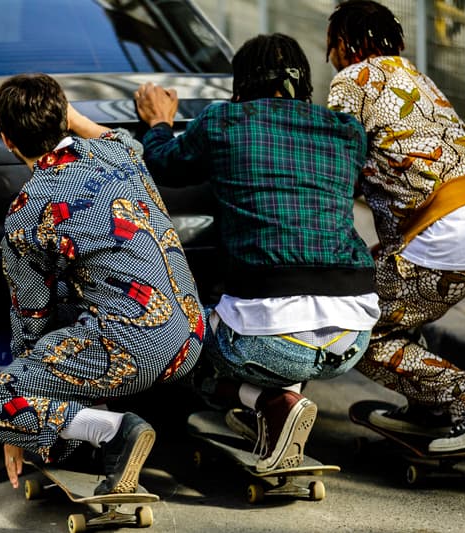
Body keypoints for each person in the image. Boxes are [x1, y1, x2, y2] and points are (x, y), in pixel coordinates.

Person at [133, 33, 380, 472]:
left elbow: (167, 164)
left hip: (269, 335)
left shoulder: (222, 122)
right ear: (304, 82)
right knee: (277, 319)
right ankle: (280, 409)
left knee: (180, 345)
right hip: (352, 334)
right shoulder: (347, 132)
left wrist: (158, 123)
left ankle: (272, 402)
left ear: (240, 84)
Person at [0, 73, 205, 494]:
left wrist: (25, 407)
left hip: (135, 349)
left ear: (6, 140)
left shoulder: (28, 210)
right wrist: (67, 117)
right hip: (190, 336)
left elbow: (31, 317)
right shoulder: (120, 155)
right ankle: (94, 418)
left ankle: (113, 431)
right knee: (80, 299)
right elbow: (114, 136)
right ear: (65, 117)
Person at [326, 0, 465, 453]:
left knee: (351, 325)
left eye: (332, 47)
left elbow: (339, 160)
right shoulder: (416, 77)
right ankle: (428, 406)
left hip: (454, 226)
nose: (333, 57)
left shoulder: (352, 79)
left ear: (343, 43)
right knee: (394, 302)